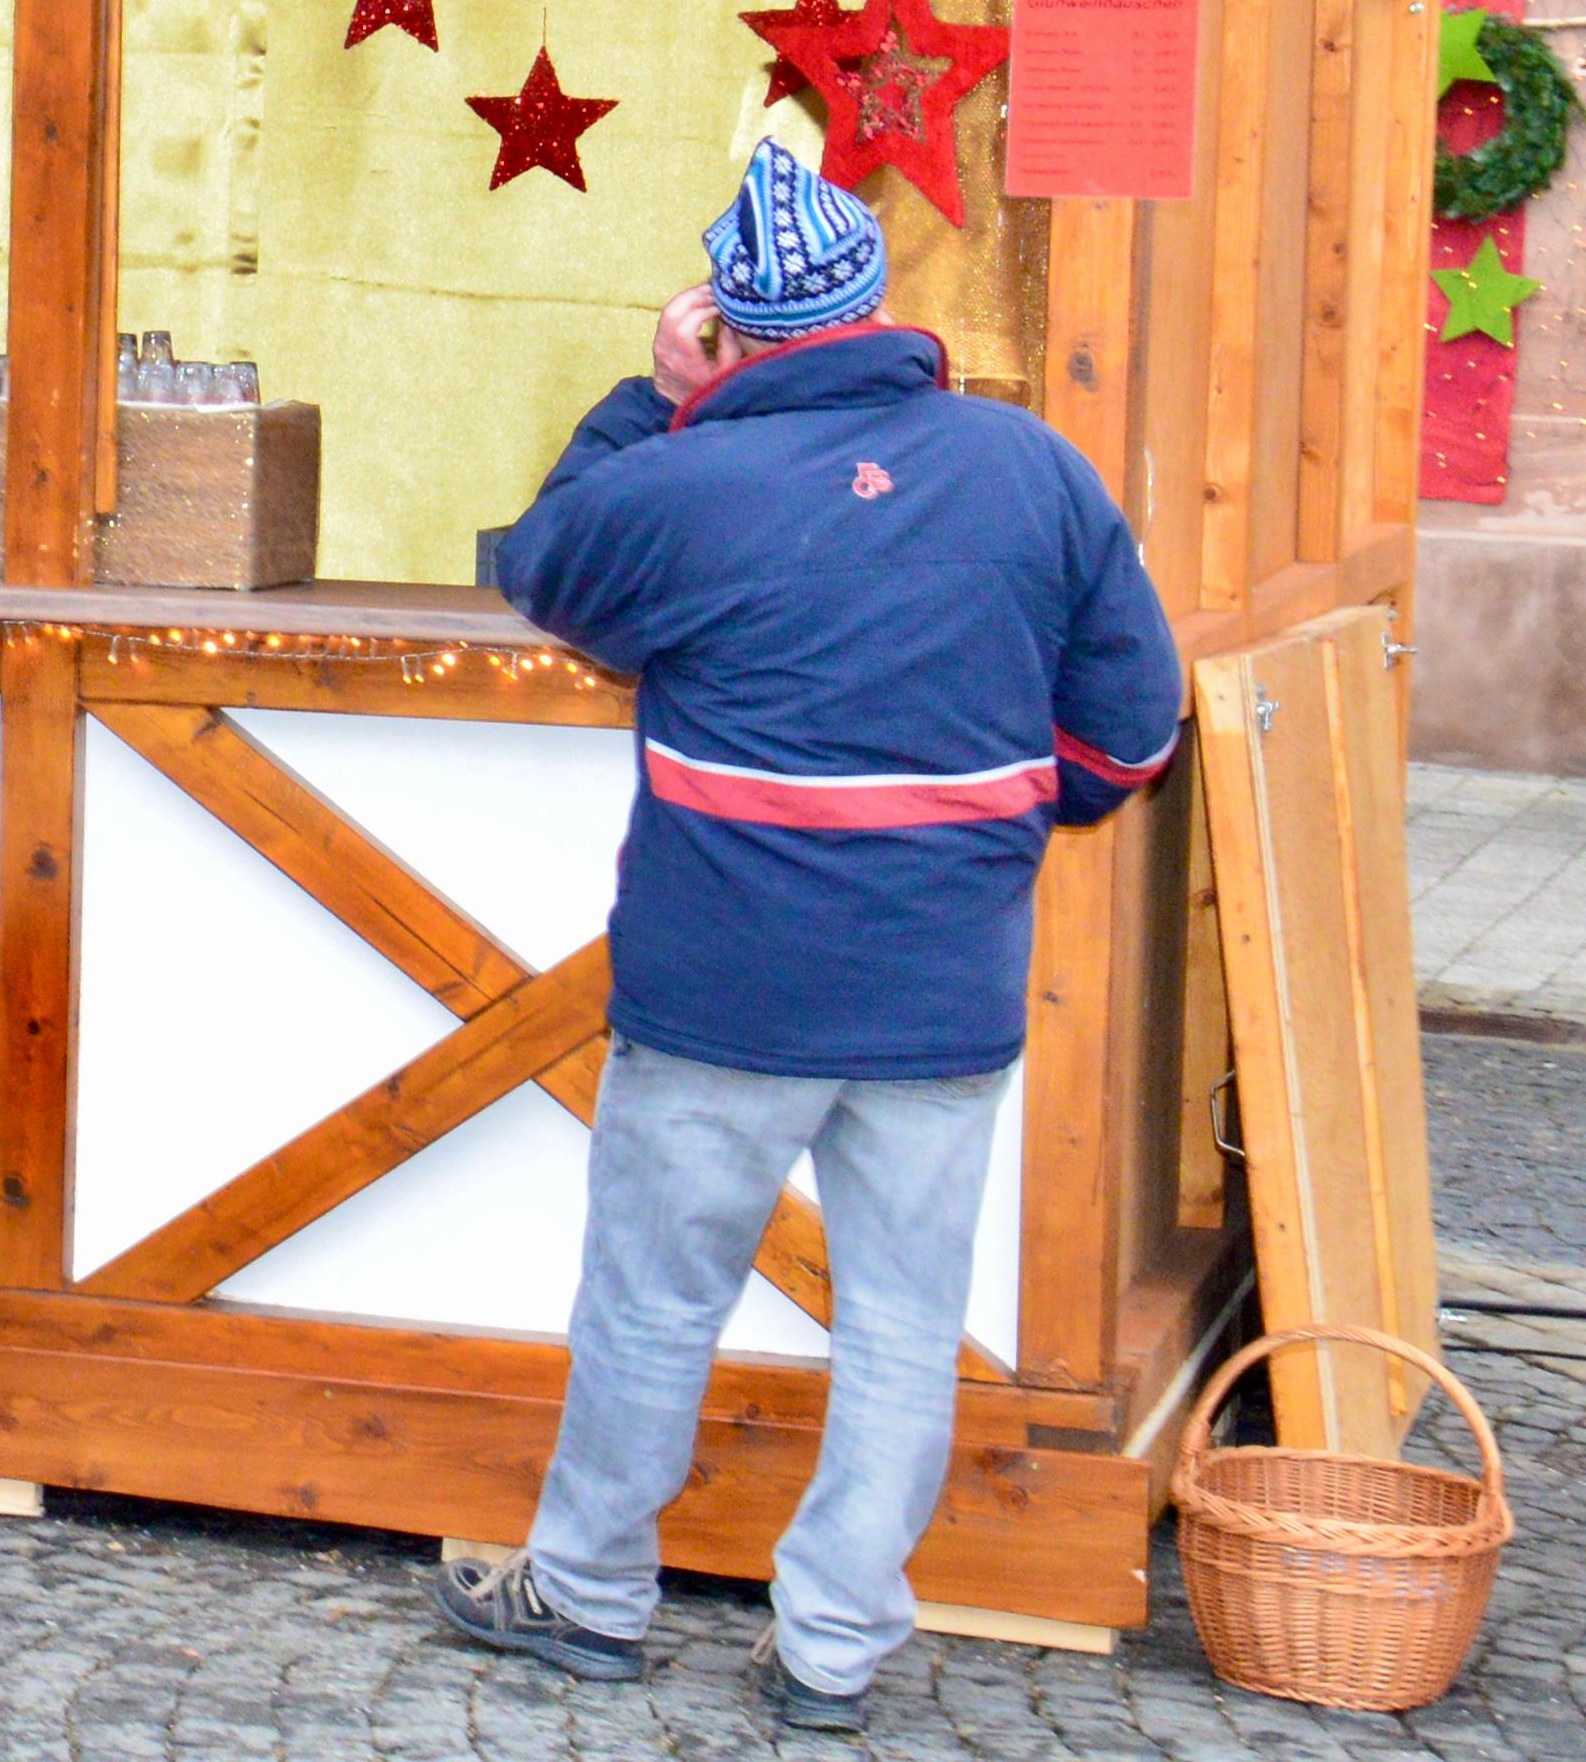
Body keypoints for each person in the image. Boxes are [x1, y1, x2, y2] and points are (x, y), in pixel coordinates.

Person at [441, 143, 1182, 1734]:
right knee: (907, 1325)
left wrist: (653, 394)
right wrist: (990, 816)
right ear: (874, 305)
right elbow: (1131, 731)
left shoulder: (677, 483)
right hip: (944, 990)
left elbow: (546, 559)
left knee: (651, 1300)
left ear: (728, 327)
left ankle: (584, 1596)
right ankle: (835, 1649)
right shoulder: (1030, 466)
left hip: (719, 984)